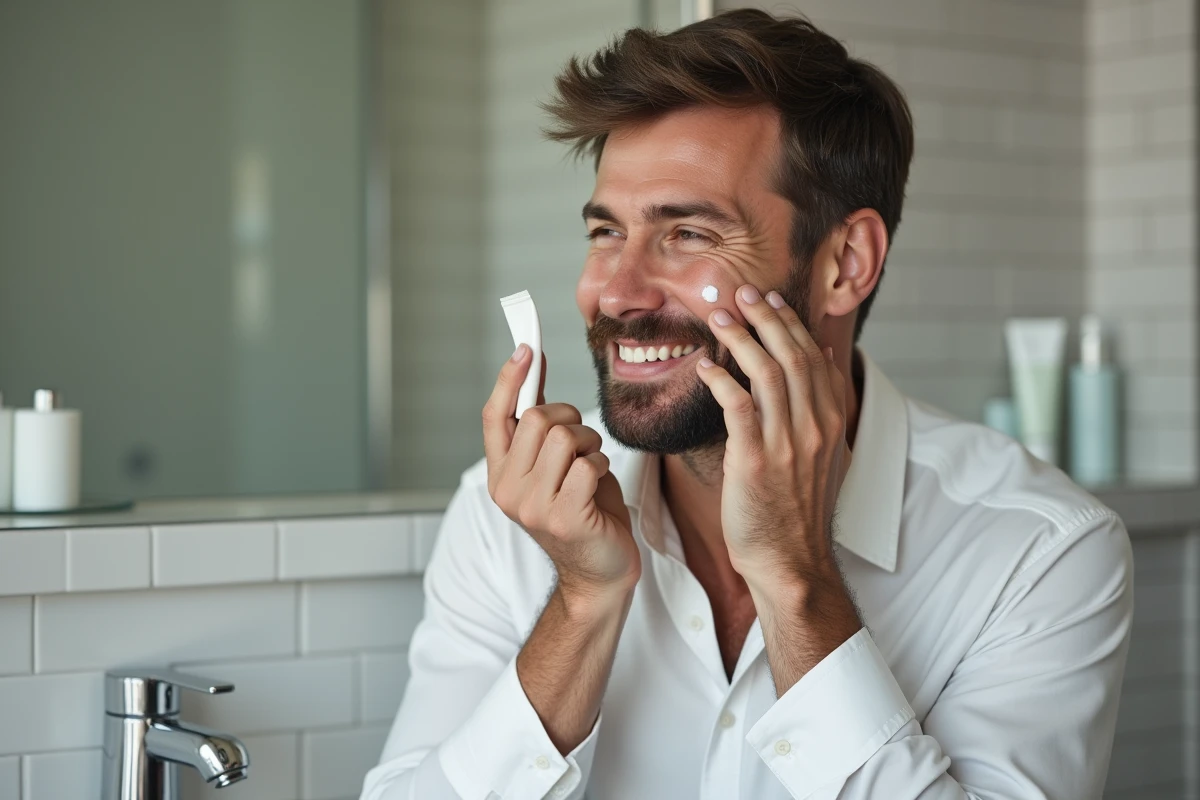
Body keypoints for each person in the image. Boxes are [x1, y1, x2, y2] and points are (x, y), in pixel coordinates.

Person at [361, 9, 1132, 799]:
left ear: (845, 262)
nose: (616, 292)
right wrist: (584, 605)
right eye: (605, 233)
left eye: (688, 234)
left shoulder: (1039, 554)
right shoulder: (511, 520)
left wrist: (797, 582)